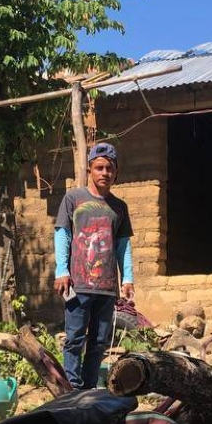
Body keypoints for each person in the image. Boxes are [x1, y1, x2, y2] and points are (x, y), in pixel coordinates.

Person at [54, 142, 134, 390]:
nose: (104, 173)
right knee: (75, 337)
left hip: (107, 286)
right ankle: (72, 389)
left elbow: (123, 245)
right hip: (78, 283)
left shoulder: (119, 207)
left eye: (109, 168)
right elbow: (62, 234)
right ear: (90, 169)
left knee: (99, 341)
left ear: (116, 172)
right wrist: (61, 270)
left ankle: (88, 389)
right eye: (99, 167)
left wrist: (127, 278)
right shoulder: (73, 198)